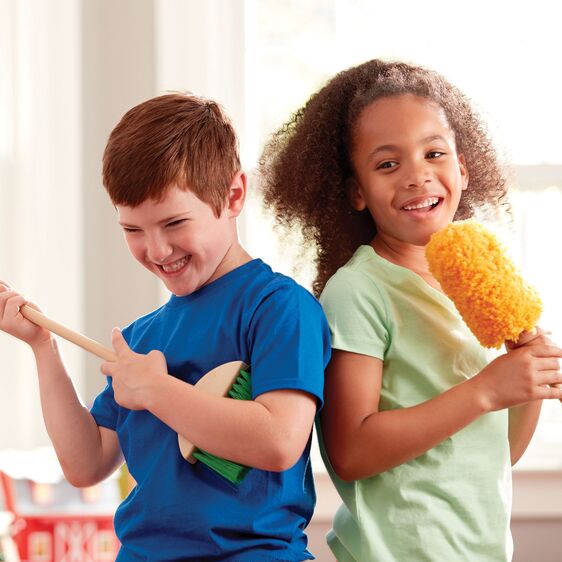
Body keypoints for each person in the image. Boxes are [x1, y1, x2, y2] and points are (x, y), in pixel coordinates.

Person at [0, 93, 331, 561]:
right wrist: (42, 347)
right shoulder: (141, 339)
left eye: (173, 222)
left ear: (234, 195)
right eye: (132, 230)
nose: (155, 250)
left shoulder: (279, 309)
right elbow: (85, 463)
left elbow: (278, 441)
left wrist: (157, 391)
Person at [259, 60, 562, 561]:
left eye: (434, 153)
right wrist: (487, 389)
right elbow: (351, 451)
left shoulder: (470, 287)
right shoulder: (359, 291)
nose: (418, 175)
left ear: (462, 168)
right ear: (356, 191)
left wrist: (526, 382)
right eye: (387, 164)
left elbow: (494, 454)